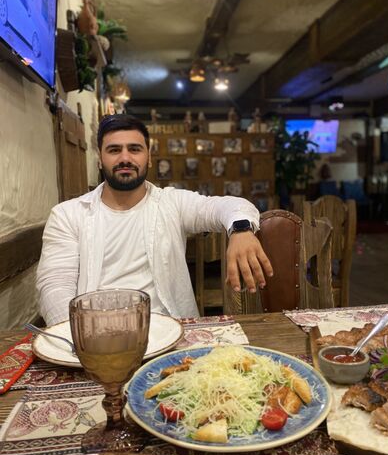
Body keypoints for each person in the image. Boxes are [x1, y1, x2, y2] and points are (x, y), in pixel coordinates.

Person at [36, 114, 273, 326]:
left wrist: (241, 230)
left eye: (135, 149)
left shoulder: (172, 203)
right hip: (96, 333)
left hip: (171, 330)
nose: (125, 158)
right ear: (100, 159)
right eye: (114, 150)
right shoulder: (67, 215)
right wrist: (77, 334)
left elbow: (227, 205)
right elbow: (55, 285)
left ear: (149, 157)